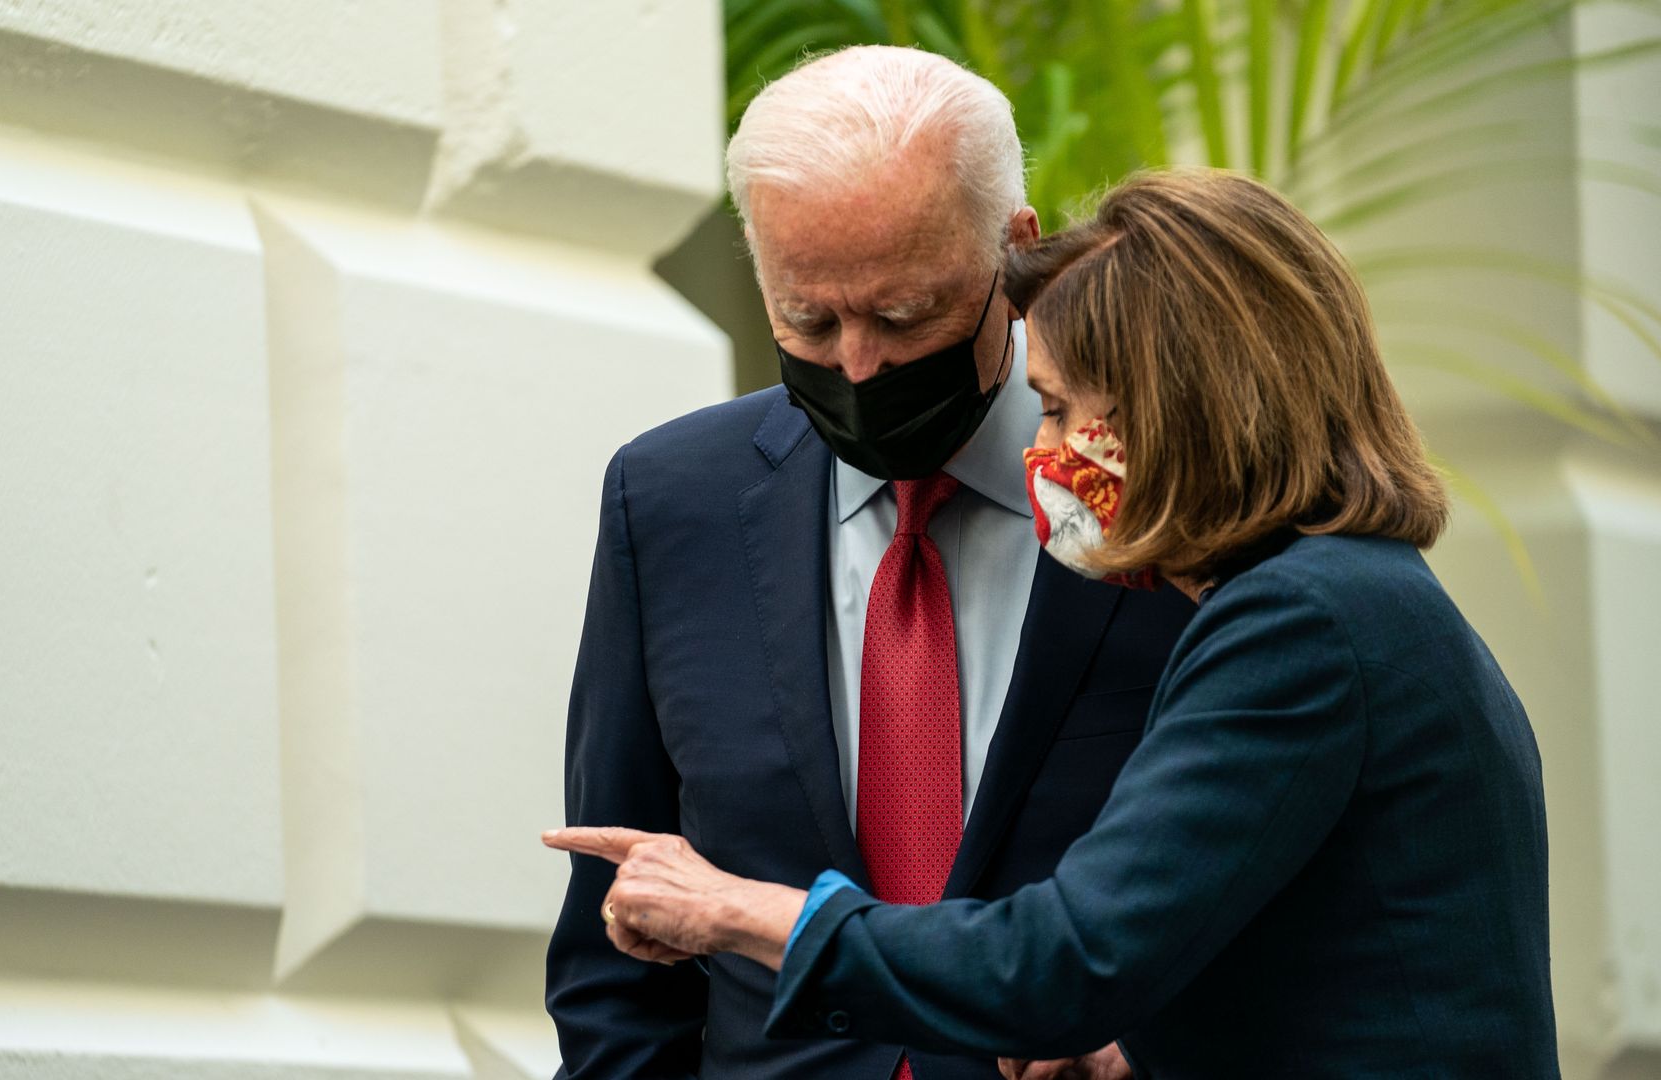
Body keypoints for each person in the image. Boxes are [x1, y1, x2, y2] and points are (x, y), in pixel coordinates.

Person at [544, 168, 1559, 1079]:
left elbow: (1064, 963)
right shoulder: (1354, 598)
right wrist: (1139, 1045)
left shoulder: (1299, 624)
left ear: (1181, 413)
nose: (1047, 451)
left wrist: (733, 907)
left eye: (1066, 409)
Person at [545, 46, 1195, 1080]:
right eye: (808, 317)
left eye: (905, 315)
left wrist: (1160, 1046)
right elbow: (615, 957)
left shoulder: (1170, 484)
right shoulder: (668, 500)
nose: (858, 363)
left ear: (1017, 253)